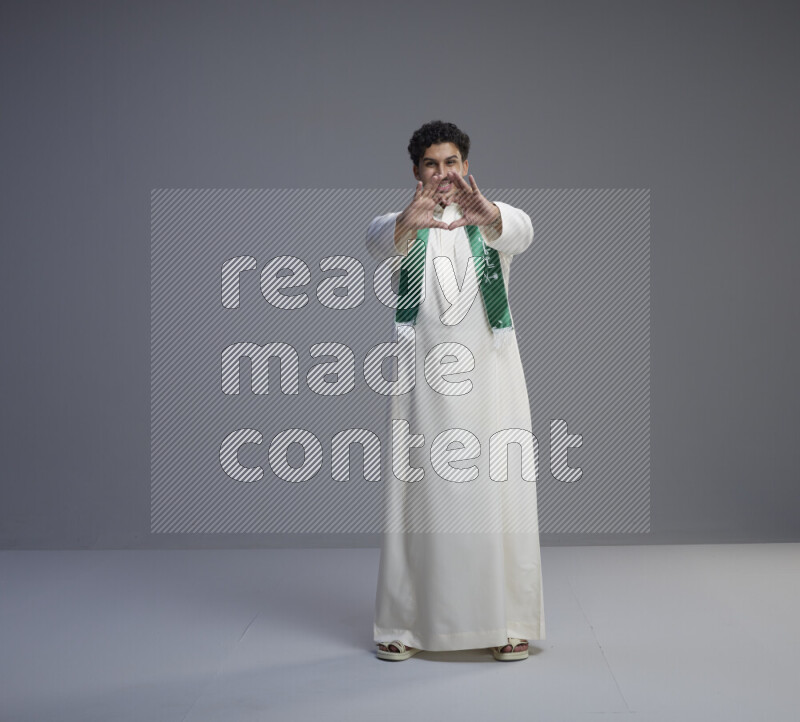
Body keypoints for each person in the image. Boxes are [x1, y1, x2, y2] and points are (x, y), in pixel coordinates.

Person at [365, 120, 545, 662]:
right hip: (424, 380)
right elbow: (374, 240)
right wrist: (404, 223)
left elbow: (523, 232)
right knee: (417, 498)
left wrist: (488, 214)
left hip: (491, 379)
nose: (443, 174)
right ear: (416, 172)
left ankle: (508, 622)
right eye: (431, 165)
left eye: (451, 163)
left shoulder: (491, 221)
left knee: (498, 493)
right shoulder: (404, 224)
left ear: (465, 166)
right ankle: (404, 624)